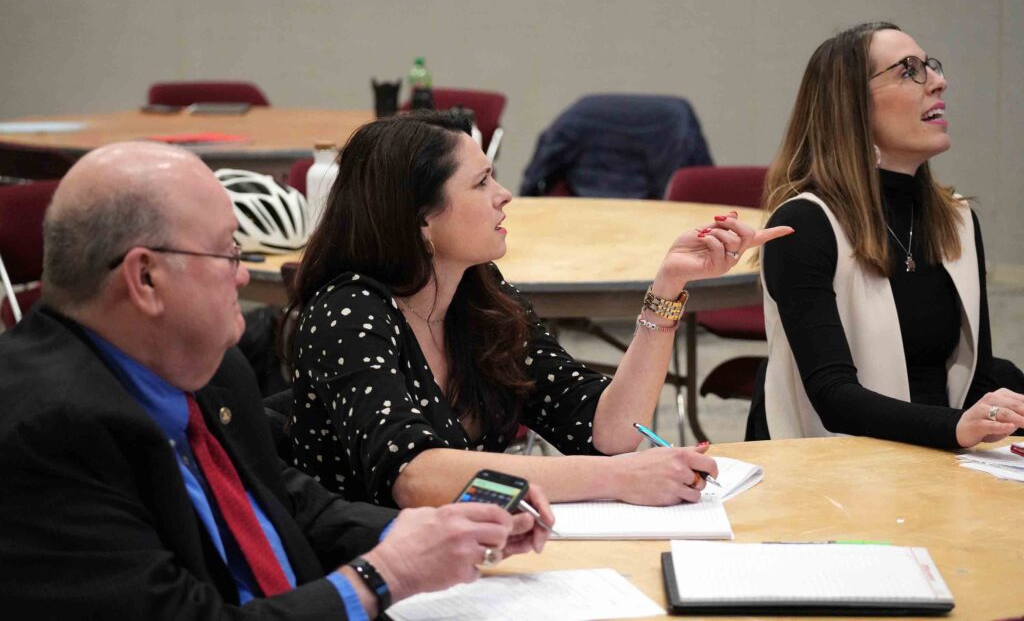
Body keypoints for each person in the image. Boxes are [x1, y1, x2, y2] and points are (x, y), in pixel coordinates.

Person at [0, 142, 551, 620]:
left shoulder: (212, 371)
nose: (241, 275)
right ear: (145, 277)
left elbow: (286, 502)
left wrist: (436, 534)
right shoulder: (47, 436)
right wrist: (385, 575)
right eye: (226, 252)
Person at [285, 111, 791, 508]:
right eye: (481, 183)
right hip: (370, 571)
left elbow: (607, 433)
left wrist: (670, 285)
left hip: (468, 554)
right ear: (420, 219)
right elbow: (415, 478)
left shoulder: (476, 293)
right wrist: (621, 479)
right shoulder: (348, 312)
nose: (504, 195)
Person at [751, 22, 1024, 448]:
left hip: (941, 458)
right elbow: (834, 398)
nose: (939, 81)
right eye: (908, 70)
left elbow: (977, 374)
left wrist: (996, 412)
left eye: (929, 66)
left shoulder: (957, 219)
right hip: (833, 468)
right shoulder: (803, 225)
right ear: (852, 106)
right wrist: (954, 428)